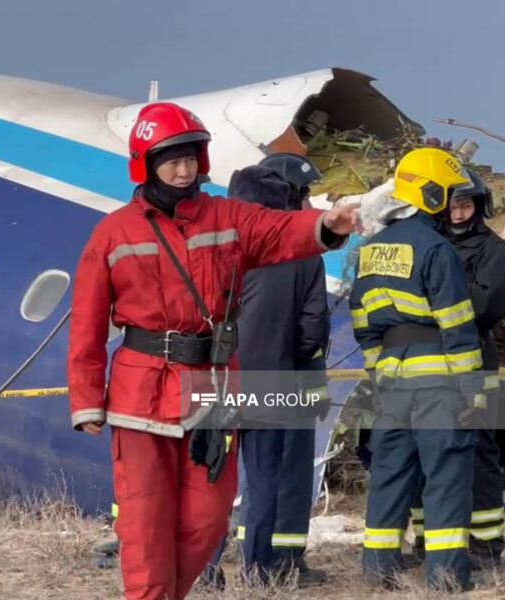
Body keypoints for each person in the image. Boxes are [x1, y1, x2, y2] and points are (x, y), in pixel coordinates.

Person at [67, 101, 358, 600]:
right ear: (146, 163)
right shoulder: (113, 233)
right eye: (171, 160)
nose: (183, 171)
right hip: (142, 392)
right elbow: (87, 323)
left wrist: (326, 224)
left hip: (212, 388)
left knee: (206, 519)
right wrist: (87, 398)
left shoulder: (227, 217)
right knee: (145, 518)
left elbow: (277, 230)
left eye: (191, 159)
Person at [350, 147, 484, 591]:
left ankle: (376, 573)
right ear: (430, 194)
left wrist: (379, 376)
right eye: (446, 195)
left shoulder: (369, 251)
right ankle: (446, 579)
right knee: (445, 477)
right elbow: (457, 324)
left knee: (389, 476)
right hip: (438, 382)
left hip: (392, 382)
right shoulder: (436, 249)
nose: (450, 205)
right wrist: (472, 391)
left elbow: (363, 325)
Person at [199, 154, 332, 589]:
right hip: (273, 379)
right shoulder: (304, 252)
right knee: (265, 480)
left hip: (215, 379)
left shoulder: (211, 245)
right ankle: (258, 573)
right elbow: (313, 325)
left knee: (211, 478)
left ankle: (205, 570)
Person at [406, 168, 505, 569]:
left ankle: (485, 544)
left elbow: (482, 308)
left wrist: (433, 297)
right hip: (425, 365)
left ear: (480, 206)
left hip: (473, 365)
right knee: (425, 453)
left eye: (464, 205)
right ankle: (431, 540)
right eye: (451, 205)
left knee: (476, 453)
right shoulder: (429, 245)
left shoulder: (498, 256)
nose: (457, 214)